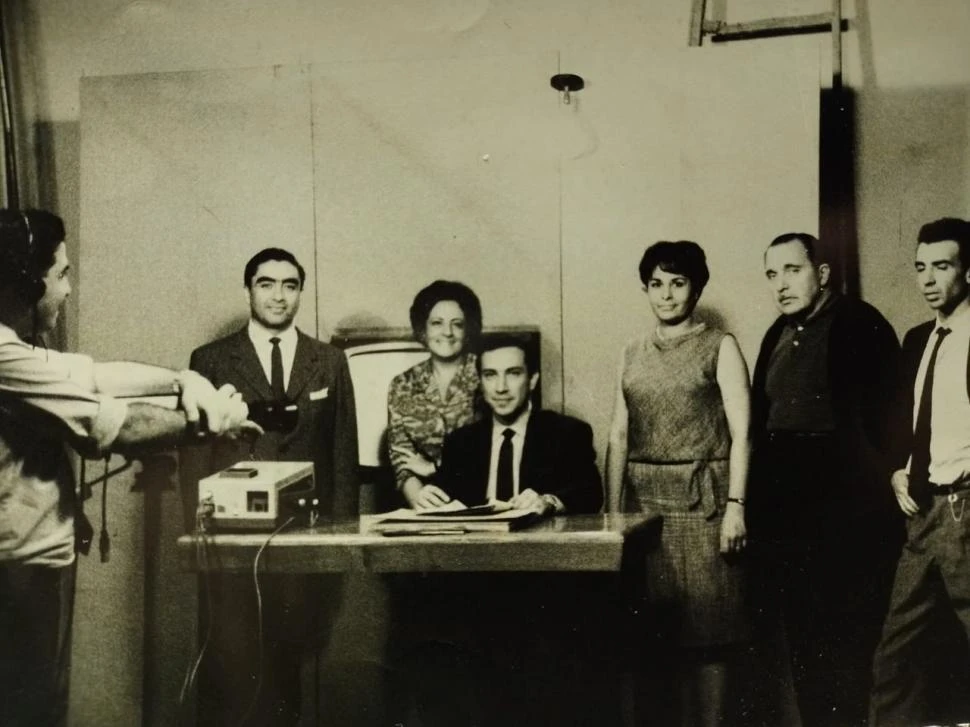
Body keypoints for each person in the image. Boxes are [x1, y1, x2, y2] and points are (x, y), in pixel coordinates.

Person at [0, 208, 254, 727]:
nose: (69, 289)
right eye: (61, 274)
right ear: (28, 283)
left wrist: (184, 379)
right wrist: (207, 422)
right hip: (15, 572)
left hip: (36, 562)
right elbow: (118, 426)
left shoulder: (14, 348)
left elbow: (95, 375)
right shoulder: (3, 356)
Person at [182, 247, 359, 726]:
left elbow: (343, 453)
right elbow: (195, 455)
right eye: (266, 284)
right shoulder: (212, 360)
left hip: (305, 539)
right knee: (230, 659)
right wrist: (198, 534)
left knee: (287, 664)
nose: (278, 296)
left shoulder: (329, 361)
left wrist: (338, 541)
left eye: (290, 285)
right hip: (231, 540)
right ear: (248, 291)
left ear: (300, 291)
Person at [749, 232, 902, 727]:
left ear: (822, 273)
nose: (781, 284)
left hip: (847, 514)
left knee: (850, 641)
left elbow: (889, 423)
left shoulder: (862, 324)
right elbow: (761, 423)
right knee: (803, 639)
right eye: (772, 274)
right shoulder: (775, 334)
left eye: (792, 270)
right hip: (787, 516)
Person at [605, 240, 751, 727]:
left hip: (704, 505)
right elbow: (619, 434)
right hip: (644, 509)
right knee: (654, 639)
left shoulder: (720, 345)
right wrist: (613, 517)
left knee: (708, 635)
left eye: (678, 283)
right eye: (656, 285)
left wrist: (736, 505)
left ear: (697, 286)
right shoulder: (631, 351)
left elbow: (743, 432)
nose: (666, 295)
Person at [870, 217, 970, 726]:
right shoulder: (918, 339)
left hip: (965, 509)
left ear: (968, 270)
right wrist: (897, 470)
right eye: (920, 267)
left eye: (942, 266)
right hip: (922, 512)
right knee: (896, 653)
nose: (928, 279)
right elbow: (906, 425)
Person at [436, 332, 603, 514]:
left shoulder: (567, 433)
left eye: (513, 374)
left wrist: (549, 502)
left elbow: (590, 494)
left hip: (539, 541)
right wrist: (432, 498)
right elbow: (448, 497)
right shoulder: (460, 441)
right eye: (490, 375)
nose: (501, 388)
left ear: (532, 380)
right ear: (481, 383)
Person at [387, 280, 482, 509]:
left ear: (468, 330)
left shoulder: (487, 375)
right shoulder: (402, 384)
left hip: (480, 498)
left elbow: (490, 449)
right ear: (423, 329)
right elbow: (402, 458)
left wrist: (435, 467)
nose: (447, 332)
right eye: (437, 323)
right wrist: (419, 499)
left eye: (457, 324)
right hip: (425, 500)